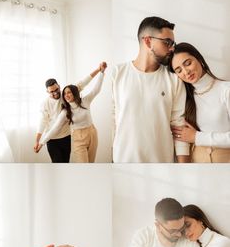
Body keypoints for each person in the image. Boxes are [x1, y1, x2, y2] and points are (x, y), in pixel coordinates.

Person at [112, 16, 190, 163]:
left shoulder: (174, 79)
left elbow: (179, 127)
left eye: (173, 43)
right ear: (147, 41)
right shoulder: (117, 73)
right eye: (167, 42)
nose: (172, 48)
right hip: (124, 162)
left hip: (162, 164)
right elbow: (112, 121)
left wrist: (183, 168)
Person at [169, 42, 230, 162]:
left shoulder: (226, 90)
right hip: (197, 165)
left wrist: (197, 137)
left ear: (199, 59)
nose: (186, 72)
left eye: (188, 63)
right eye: (179, 70)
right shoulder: (184, 99)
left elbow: (194, 137)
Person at [36, 62, 107, 163]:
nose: (64, 94)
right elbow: (53, 128)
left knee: (91, 164)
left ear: (74, 92)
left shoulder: (85, 101)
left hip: (91, 133)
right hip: (76, 138)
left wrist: (101, 71)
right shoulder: (64, 112)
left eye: (68, 92)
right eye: (64, 94)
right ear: (47, 92)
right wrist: (40, 142)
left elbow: (94, 88)